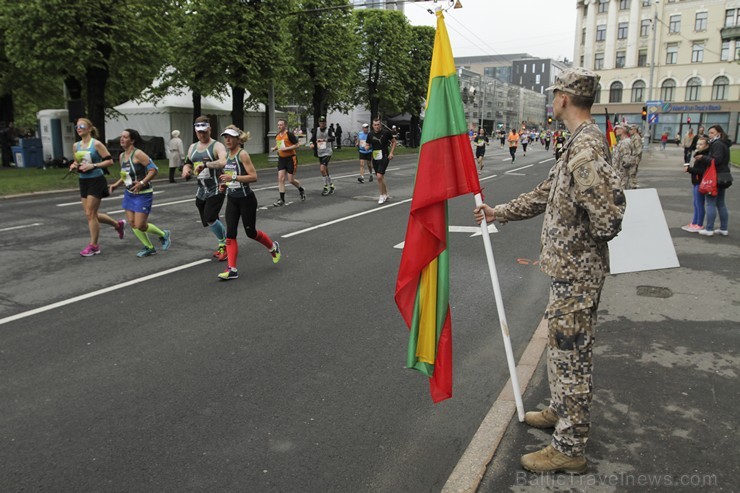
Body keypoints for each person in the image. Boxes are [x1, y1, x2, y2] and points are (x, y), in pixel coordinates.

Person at [473, 67, 625, 474]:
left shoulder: (586, 149)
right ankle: (561, 411)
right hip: (570, 273)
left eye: (555, 92)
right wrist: (498, 211)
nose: (552, 98)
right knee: (561, 354)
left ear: (565, 98)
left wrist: (580, 240)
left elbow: (609, 218)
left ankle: (569, 448)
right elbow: (547, 193)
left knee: (572, 358)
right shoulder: (578, 143)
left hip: (578, 275)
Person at [214, 125, 281, 280]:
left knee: (251, 232)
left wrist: (234, 178)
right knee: (230, 234)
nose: (228, 139)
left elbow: (253, 177)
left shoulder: (242, 154)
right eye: (225, 137)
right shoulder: (229, 156)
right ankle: (232, 269)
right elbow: (230, 178)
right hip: (232, 199)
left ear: (238, 139)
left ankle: (273, 247)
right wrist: (225, 184)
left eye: (231, 136)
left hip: (246, 200)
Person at [109, 129, 171, 257]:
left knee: (140, 225)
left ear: (132, 140)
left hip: (144, 193)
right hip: (129, 193)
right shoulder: (122, 156)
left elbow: (154, 170)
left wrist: (142, 183)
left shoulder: (138, 154)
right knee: (132, 223)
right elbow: (125, 175)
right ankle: (149, 247)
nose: (122, 139)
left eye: (125, 137)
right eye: (121, 136)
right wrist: (116, 184)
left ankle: (163, 234)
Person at [69, 117, 126, 257]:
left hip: (96, 179)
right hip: (83, 181)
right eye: (77, 126)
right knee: (91, 214)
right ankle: (118, 225)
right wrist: (74, 165)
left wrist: (93, 165)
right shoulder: (76, 146)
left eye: (82, 125)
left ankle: (94, 246)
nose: (79, 128)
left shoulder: (96, 144)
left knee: (90, 214)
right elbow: (77, 161)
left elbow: (109, 161)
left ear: (89, 128)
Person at [181, 116, 229, 261]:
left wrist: (207, 165)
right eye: (199, 132)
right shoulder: (192, 147)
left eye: (204, 131)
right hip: (201, 189)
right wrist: (186, 170)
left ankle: (225, 244)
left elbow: (223, 161)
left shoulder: (217, 146)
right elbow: (188, 163)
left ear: (209, 129)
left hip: (217, 186)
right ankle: (221, 232)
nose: (202, 134)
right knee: (208, 219)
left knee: (210, 217)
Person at [696, 125, 732, 237]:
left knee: (710, 203)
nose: (709, 135)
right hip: (723, 176)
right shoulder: (724, 144)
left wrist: (703, 157)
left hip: (715, 177)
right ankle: (723, 228)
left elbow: (716, 160)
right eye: (709, 132)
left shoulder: (717, 144)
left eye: (712, 133)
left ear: (718, 133)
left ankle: (709, 228)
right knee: (721, 203)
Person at [271, 118, 305, 206]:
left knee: (291, 180)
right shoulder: (278, 135)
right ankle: (281, 199)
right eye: (278, 125)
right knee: (281, 178)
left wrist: (287, 148)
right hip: (282, 159)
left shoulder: (289, 134)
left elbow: (297, 145)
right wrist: (275, 148)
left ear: (285, 125)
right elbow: (280, 145)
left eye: (281, 125)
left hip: (291, 159)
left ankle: (301, 189)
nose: (279, 126)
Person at [681, 136, 709, 233]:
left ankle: (699, 224)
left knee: (699, 203)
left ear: (706, 146)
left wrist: (689, 169)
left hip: (700, 182)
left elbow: (702, 171)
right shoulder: (699, 154)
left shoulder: (704, 156)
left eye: (701, 144)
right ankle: (694, 222)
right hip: (696, 181)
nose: (698, 145)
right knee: (696, 203)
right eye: (698, 143)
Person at [366, 118, 396, 204]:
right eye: (375, 125)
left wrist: (391, 153)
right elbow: (368, 144)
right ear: (372, 126)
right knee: (380, 177)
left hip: (385, 156)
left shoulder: (386, 133)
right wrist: (367, 147)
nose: (377, 126)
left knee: (379, 176)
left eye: (378, 125)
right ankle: (386, 194)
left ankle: (381, 195)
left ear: (381, 125)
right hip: (375, 157)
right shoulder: (370, 134)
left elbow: (394, 142)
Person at [310, 116, 335, 196]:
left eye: (323, 123)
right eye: (320, 123)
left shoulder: (329, 130)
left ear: (325, 123)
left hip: (327, 152)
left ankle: (325, 187)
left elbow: (333, 138)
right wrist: (311, 144)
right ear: (319, 123)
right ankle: (331, 185)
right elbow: (312, 139)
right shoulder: (316, 130)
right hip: (320, 152)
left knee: (322, 169)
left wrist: (324, 140)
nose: (322, 124)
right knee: (325, 170)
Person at [612, 124, 636, 189]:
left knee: (622, 192)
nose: (616, 130)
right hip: (620, 173)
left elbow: (626, 160)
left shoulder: (625, 142)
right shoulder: (623, 141)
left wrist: (620, 172)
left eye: (618, 129)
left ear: (623, 130)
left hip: (621, 174)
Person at [628, 124, 643, 189]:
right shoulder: (633, 137)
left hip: (634, 159)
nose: (629, 131)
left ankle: (633, 187)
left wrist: (634, 159)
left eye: (631, 129)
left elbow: (638, 150)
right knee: (631, 174)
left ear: (635, 130)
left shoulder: (636, 137)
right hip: (633, 158)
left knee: (632, 174)